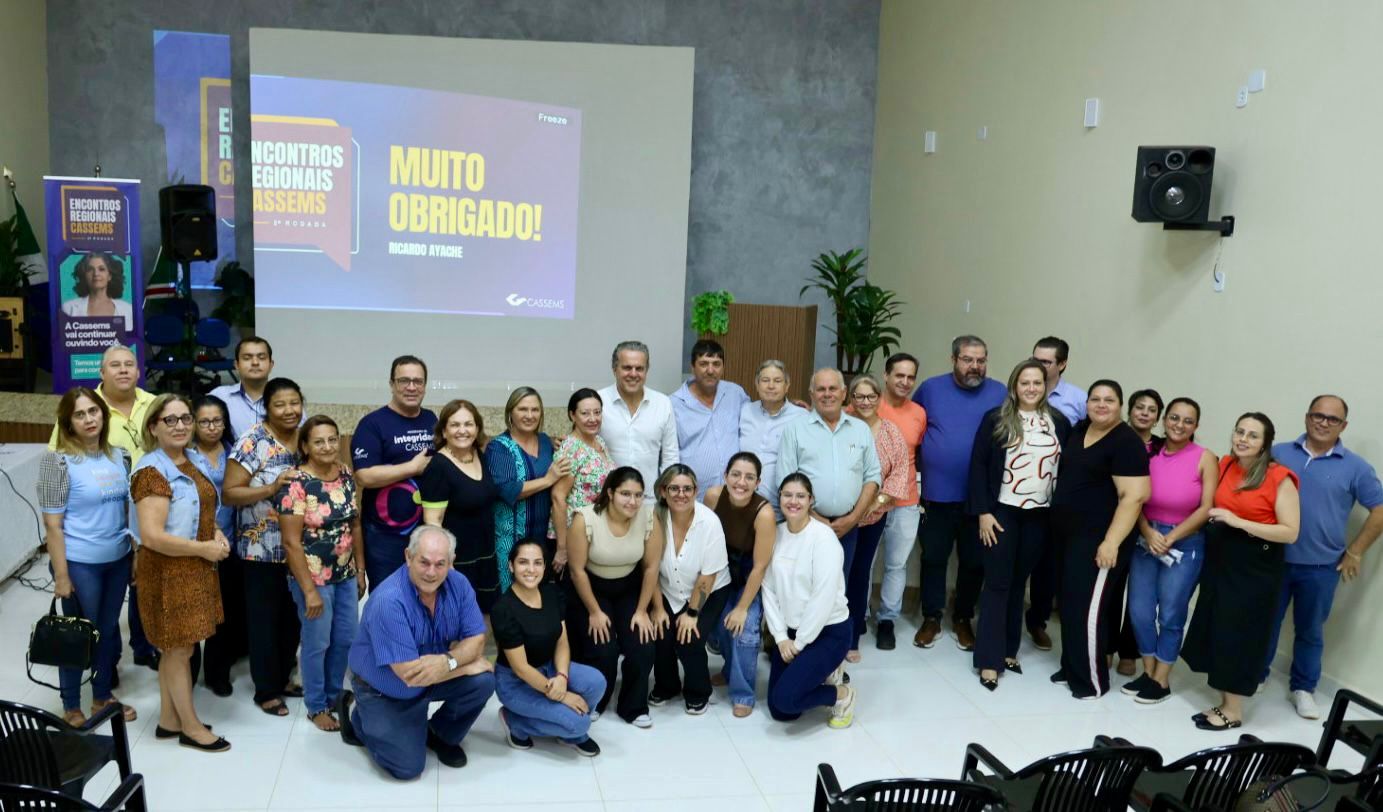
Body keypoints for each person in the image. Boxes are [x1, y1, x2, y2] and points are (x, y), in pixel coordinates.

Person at [338, 525, 496, 779]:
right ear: (408, 557)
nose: (431, 572)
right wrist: (465, 664)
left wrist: (449, 662)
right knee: (407, 767)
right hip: (385, 689)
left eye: (440, 564)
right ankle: (359, 718)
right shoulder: (389, 600)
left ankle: (439, 733)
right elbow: (410, 676)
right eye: (424, 562)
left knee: (483, 681)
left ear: (451, 562)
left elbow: (476, 638)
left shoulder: (459, 584)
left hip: (432, 674)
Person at [1263, 395, 1383, 720]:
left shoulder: (1356, 467)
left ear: (1343, 426)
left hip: (1320, 568)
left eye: (1332, 419)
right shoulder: (1278, 453)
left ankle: (1303, 689)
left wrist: (1356, 551)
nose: (1323, 422)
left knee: (1310, 630)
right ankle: (1255, 677)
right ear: (1307, 418)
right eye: (1318, 415)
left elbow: (1379, 511)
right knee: (1264, 623)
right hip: (1272, 560)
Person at [1182, 413, 1300, 729]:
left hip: (1255, 567)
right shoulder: (1226, 466)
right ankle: (1224, 701)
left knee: (1239, 635)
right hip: (1221, 560)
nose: (1243, 439)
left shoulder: (1279, 477)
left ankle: (1233, 711)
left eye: (1252, 435)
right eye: (1239, 432)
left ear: (1265, 443)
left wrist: (1239, 522)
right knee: (1217, 628)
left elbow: (1290, 532)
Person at [129, 394, 231, 752]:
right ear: (153, 427)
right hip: (168, 571)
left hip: (193, 566)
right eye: (169, 420)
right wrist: (203, 549)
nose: (180, 426)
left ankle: (169, 719)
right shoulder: (151, 472)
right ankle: (190, 727)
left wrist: (214, 532)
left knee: (181, 649)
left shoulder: (189, 461)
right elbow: (153, 536)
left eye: (185, 418)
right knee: (177, 650)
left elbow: (200, 509)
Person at [48, 345, 158, 672]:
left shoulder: (151, 409)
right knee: (84, 627)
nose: (123, 370)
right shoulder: (69, 439)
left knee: (124, 610)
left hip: (135, 530)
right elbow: (54, 515)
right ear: (102, 372)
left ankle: (126, 665)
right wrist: (61, 572)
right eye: (114, 365)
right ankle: (81, 695)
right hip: (85, 545)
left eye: (129, 364)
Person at [966, 360, 1070, 690]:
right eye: (1024, 382)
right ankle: (988, 660)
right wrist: (983, 512)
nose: (1030, 388)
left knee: (1017, 583)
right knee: (997, 583)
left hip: (1040, 516)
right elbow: (978, 467)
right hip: (1002, 514)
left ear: (1045, 386)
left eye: (1037, 382)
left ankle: (1009, 650)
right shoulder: (996, 420)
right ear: (1014, 386)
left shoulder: (1058, 422)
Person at [1048, 380, 1150, 700]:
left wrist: (1111, 542)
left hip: (1099, 540)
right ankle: (1073, 665)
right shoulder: (1080, 431)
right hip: (1069, 536)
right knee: (1070, 605)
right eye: (1095, 399)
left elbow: (1134, 496)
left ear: (1120, 406)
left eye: (1109, 400)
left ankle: (1091, 682)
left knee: (1088, 610)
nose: (1101, 404)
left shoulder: (1126, 442)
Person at [39, 388, 134, 726]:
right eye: (80, 415)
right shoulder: (58, 461)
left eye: (94, 411)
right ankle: (71, 705)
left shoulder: (119, 456)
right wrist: (62, 576)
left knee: (107, 631)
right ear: (68, 422)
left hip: (117, 557)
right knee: (79, 632)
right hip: (80, 562)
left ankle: (103, 696)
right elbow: (52, 525)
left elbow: (126, 509)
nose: (89, 419)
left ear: (103, 415)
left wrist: (133, 553)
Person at [913, 335, 1006, 650]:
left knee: (973, 561)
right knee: (934, 557)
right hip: (937, 496)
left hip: (980, 501)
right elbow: (911, 428)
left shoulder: (999, 392)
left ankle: (963, 617)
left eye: (980, 360)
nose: (975, 366)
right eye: (968, 359)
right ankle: (932, 617)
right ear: (953, 359)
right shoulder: (930, 389)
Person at [1122, 397, 1217, 705]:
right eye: (1174, 418)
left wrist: (1172, 536)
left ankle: (1162, 679)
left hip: (1185, 544)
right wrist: (1148, 531)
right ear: (1164, 420)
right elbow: (1132, 498)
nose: (1179, 425)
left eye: (1188, 421)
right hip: (1147, 539)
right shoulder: (1148, 455)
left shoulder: (1205, 458)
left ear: (1196, 426)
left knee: (1172, 614)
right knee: (1139, 611)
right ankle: (1149, 673)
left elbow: (1207, 508)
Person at [279, 415, 365, 732]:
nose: (327, 446)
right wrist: (310, 591)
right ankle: (316, 706)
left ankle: (333, 694)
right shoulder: (296, 484)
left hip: (344, 574)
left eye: (332, 439)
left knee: (345, 638)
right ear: (305, 446)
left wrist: (360, 569)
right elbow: (290, 542)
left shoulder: (344, 475)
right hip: (312, 579)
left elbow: (354, 523)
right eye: (318, 441)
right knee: (317, 642)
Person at [223, 377, 303, 717]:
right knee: (265, 618)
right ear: (266, 408)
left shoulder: (308, 437)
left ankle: (284, 676)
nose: (289, 410)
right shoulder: (252, 441)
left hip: (301, 547)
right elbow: (230, 492)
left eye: (294, 403)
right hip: (262, 547)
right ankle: (266, 689)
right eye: (280, 404)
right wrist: (269, 488)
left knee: (293, 616)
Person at [565, 467, 661, 726]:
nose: (633, 501)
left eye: (639, 495)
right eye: (625, 494)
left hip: (629, 586)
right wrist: (595, 612)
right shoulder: (584, 518)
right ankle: (597, 699)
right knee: (603, 646)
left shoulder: (649, 517)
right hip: (590, 588)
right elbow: (576, 570)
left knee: (642, 643)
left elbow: (651, 567)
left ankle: (633, 706)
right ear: (610, 493)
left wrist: (642, 611)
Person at [492, 539, 605, 756]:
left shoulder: (551, 594)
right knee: (580, 724)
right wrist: (562, 696)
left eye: (537, 563)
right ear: (511, 566)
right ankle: (515, 722)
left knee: (596, 682)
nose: (531, 570)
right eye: (523, 562)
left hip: (550, 667)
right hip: (517, 683)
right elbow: (521, 668)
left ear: (545, 566)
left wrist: (562, 676)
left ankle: (566, 729)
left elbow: (562, 641)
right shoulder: (504, 610)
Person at [762, 473, 856, 728]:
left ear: (811, 500)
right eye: (787, 495)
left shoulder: (823, 539)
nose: (793, 501)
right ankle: (821, 674)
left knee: (786, 698)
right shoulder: (776, 534)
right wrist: (781, 638)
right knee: (782, 711)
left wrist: (800, 643)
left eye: (800, 496)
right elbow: (768, 589)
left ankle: (842, 695)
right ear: (779, 497)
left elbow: (822, 599)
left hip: (828, 632)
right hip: (791, 634)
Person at [778, 368, 881, 586]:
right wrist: (816, 519)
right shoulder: (795, 429)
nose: (827, 394)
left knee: (838, 587)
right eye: (821, 389)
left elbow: (872, 476)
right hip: (805, 524)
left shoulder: (860, 430)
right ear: (812, 394)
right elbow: (786, 480)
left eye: (833, 388)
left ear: (844, 393)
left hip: (848, 527)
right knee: (804, 586)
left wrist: (853, 519)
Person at [648, 464, 733, 715]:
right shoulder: (654, 517)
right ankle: (667, 685)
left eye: (687, 489)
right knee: (661, 632)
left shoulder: (709, 522)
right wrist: (656, 607)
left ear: (696, 491)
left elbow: (708, 575)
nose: (681, 494)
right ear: (663, 491)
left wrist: (692, 613)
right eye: (674, 488)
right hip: (667, 588)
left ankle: (698, 691)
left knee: (689, 637)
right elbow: (650, 567)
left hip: (710, 590)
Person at [353, 355, 437, 590]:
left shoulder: (432, 420)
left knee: (425, 597)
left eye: (418, 381)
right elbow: (364, 476)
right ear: (392, 384)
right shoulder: (372, 424)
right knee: (387, 598)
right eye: (404, 381)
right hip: (384, 536)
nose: (411, 387)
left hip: (425, 531)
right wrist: (412, 468)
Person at [842, 374, 910, 663]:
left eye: (871, 396)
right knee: (836, 574)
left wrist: (876, 503)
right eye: (859, 396)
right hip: (839, 515)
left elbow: (900, 471)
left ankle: (852, 636)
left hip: (872, 517)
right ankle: (828, 633)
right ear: (851, 399)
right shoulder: (842, 426)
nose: (865, 402)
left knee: (859, 574)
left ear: (879, 398)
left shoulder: (891, 432)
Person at [704, 452, 776, 717]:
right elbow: (705, 537)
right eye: (735, 474)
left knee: (743, 630)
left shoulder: (764, 513)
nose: (741, 482)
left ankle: (743, 692)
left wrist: (743, 607)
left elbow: (760, 566)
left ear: (758, 482)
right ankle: (728, 669)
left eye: (749, 477)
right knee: (716, 623)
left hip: (749, 573)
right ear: (725, 476)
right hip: (720, 568)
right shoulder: (713, 496)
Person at [1107, 388, 1166, 677]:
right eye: (1139, 407)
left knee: (1140, 595)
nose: (1144, 412)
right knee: (1111, 588)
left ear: (1158, 417)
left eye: (1151, 409)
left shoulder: (1164, 448)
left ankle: (1128, 652)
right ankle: (1105, 646)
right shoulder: (1115, 437)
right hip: (1114, 522)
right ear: (1129, 410)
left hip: (1148, 529)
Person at [419, 400, 500, 612]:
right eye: (455, 425)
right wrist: (445, 564)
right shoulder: (438, 466)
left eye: (468, 424)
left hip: (485, 555)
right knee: (457, 623)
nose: (462, 431)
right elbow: (432, 522)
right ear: (444, 431)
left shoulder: (478, 455)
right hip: (457, 562)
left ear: (477, 428)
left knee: (484, 619)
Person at [487, 387, 571, 591]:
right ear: (510, 413)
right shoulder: (499, 447)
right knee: (511, 595)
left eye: (535, 410)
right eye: (522, 409)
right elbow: (508, 490)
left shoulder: (545, 441)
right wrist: (548, 479)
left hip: (542, 537)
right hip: (510, 539)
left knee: (538, 596)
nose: (529, 415)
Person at [191, 395, 246, 698]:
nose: (212, 427)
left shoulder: (234, 452)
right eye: (204, 421)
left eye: (217, 421)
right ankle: (187, 673)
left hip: (231, 544)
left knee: (224, 613)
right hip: (193, 544)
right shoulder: (184, 454)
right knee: (193, 614)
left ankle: (217, 673)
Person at [872, 352, 926, 651]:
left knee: (896, 564)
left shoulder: (919, 412)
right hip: (870, 502)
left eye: (910, 377)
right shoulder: (866, 406)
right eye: (899, 375)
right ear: (886, 376)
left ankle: (886, 620)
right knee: (864, 564)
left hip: (906, 500)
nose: (905, 382)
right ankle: (857, 616)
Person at [598, 340, 679, 501]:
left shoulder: (662, 403)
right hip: (607, 500)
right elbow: (581, 443)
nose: (633, 374)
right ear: (615, 369)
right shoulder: (598, 401)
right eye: (627, 367)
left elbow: (670, 456)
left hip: (649, 500)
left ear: (646, 370)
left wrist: (665, 496)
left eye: (639, 368)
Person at [670, 339, 750, 495]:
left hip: (734, 494)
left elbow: (758, 416)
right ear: (692, 367)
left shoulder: (735, 393)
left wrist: (788, 405)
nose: (710, 370)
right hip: (691, 496)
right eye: (704, 364)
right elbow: (669, 452)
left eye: (716, 364)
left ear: (723, 367)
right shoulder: (674, 403)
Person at [550, 388, 614, 576]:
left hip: (596, 531)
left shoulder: (599, 442)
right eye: (585, 413)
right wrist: (562, 548)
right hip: (574, 535)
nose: (592, 418)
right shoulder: (571, 449)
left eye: (597, 412)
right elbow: (557, 497)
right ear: (572, 415)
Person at [738, 360, 807, 513]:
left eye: (777, 381)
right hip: (741, 504)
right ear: (756, 385)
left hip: (782, 508)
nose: (771, 386)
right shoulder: (744, 411)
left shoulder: (802, 417)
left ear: (787, 386)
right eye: (765, 380)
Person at [209, 337, 281, 440]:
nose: (255, 362)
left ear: (271, 365)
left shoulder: (286, 398)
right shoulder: (218, 397)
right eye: (247, 358)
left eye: (261, 357)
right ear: (236, 365)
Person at [61, 252, 134, 331]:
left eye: (101, 269)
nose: (96, 273)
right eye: (90, 270)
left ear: (109, 276)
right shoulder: (68, 308)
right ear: (84, 275)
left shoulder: (128, 309)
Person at [1032, 336, 1086, 425]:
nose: (1038, 366)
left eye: (1045, 362)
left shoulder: (1079, 400)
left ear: (1062, 364)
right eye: (1035, 360)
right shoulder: (1021, 393)